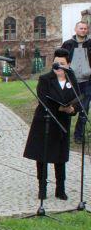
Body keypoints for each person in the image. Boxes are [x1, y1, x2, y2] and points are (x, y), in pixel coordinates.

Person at [23, 48, 78, 200]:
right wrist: (60, 107)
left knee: (60, 156)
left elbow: (78, 99)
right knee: (42, 156)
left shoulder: (72, 78)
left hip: (62, 122)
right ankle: (42, 188)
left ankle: (60, 189)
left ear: (68, 64)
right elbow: (43, 99)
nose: (58, 66)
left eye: (62, 63)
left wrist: (73, 109)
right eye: (56, 63)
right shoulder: (45, 79)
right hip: (45, 121)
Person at [60, 21, 91, 143]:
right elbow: (59, 60)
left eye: (85, 28)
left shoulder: (90, 44)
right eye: (81, 28)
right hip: (71, 82)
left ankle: (78, 136)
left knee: (84, 109)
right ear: (75, 29)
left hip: (87, 82)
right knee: (67, 107)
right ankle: (63, 134)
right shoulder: (68, 44)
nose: (83, 30)